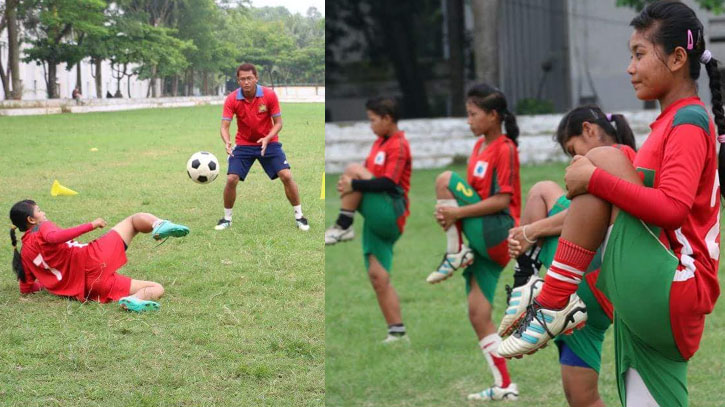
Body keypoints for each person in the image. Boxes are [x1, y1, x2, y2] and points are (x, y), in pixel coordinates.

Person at [498, 2, 723, 406]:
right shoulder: (672, 122)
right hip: (660, 286)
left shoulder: (689, 121)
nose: (630, 67)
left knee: (603, 157)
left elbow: (672, 209)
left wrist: (595, 179)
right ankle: (546, 291)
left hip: (674, 282)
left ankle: (551, 298)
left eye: (639, 54)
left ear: (676, 58)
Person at [500, 106, 636, 407]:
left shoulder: (619, 156)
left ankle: (527, 282)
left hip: (594, 279)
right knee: (581, 398)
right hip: (575, 295)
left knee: (542, 190)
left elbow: (588, 218)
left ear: (589, 130)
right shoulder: (600, 166)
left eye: (572, 150)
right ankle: (528, 282)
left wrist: (532, 230)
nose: (573, 160)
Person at [426, 84, 521, 401]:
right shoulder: (479, 147)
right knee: (478, 314)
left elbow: (502, 200)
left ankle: (455, 253)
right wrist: (451, 217)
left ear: (493, 116)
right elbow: (472, 199)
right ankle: (505, 385)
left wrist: (457, 212)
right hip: (483, 239)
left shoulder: (504, 148)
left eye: (473, 114)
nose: (468, 120)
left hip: (498, 232)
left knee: (444, 179)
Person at [324, 97, 412, 343]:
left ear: (387, 118)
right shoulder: (379, 145)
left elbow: (390, 183)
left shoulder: (399, 144)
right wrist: (351, 186)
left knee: (352, 170)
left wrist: (353, 182)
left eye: (373, 120)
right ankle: (397, 333)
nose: (371, 125)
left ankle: (343, 225)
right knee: (377, 276)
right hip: (376, 216)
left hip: (391, 211)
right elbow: (369, 180)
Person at [9, 200, 190, 312]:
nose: (43, 213)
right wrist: (92, 224)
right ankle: (159, 224)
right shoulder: (42, 227)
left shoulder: (24, 253)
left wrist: (49, 285)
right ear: (31, 220)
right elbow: (54, 237)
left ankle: (133, 301)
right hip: (92, 259)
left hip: (90, 289)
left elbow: (26, 288)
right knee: (134, 221)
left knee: (156, 287)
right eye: (39, 210)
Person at [218, 63, 308, 231]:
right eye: (242, 79)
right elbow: (224, 126)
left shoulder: (269, 95)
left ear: (256, 78)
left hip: (269, 142)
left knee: (286, 175)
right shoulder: (232, 99)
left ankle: (300, 217)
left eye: (249, 78)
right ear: (238, 81)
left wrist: (267, 137)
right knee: (231, 179)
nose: (246, 82)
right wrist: (227, 142)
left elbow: (279, 123)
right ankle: (226, 219)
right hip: (244, 144)